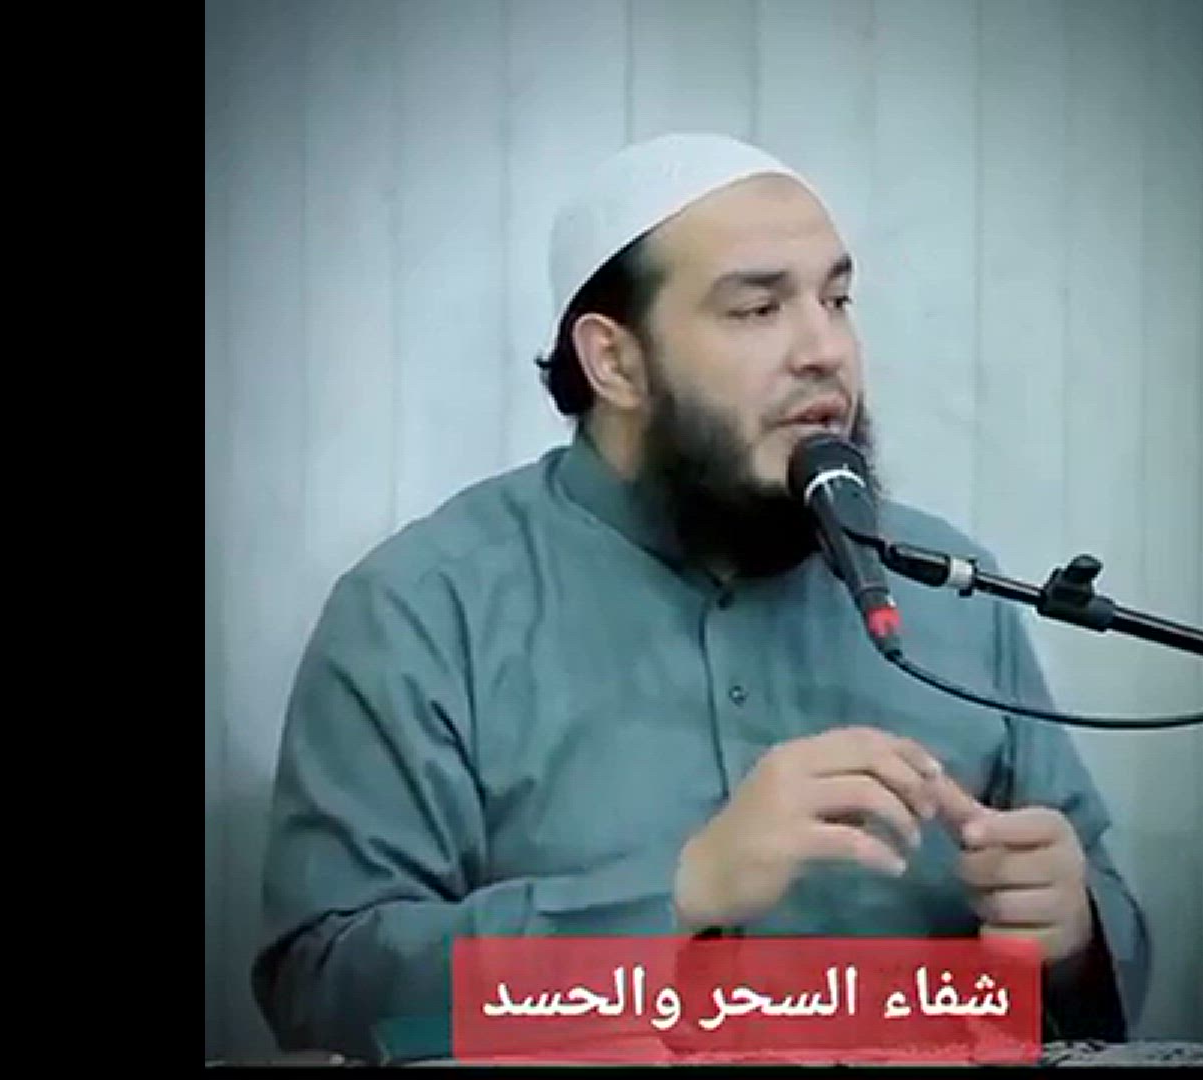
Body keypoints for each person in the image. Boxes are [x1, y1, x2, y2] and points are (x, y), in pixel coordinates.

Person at [250, 133, 1150, 1062]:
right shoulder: (423, 611)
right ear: (616, 362)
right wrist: (677, 895)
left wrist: (1072, 934)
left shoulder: (950, 589)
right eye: (759, 309)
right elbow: (325, 990)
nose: (825, 351)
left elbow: (1104, 957)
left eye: (837, 300)